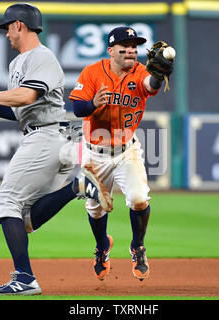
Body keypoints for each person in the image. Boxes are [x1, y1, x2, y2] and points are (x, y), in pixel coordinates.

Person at [0, 3, 112, 295]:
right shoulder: (19, 63)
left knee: (6, 202)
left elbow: (27, 95)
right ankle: (76, 187)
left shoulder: (42, 57)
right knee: (24, 219)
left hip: (46, 138)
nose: (6, 36)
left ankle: (24, 278)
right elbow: (19, 111)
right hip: (46, 136)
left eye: (7, 29)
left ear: (19, 25)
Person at [69, 26, 174, 281]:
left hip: (127, 150)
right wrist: (93, 103)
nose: (131, 50)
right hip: (95, 153)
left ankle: (137, 247)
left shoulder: (140, 72)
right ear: (111, 50)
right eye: (124, 46)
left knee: (139, 198)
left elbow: (151, 85)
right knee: (95, 209)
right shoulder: (93, 72)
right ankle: (102, 246)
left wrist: (159, 74)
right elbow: (76, 108)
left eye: (134, 46)